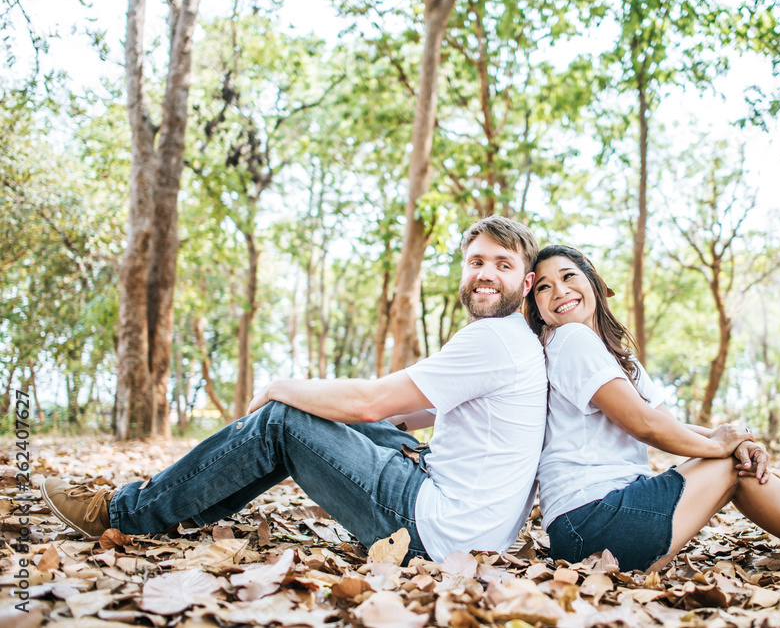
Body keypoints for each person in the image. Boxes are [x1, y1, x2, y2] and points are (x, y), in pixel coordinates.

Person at [41, 216, 548, 563]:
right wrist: (356, 431)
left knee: (285, 420)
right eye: (476, 262)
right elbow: (415, 411)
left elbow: (371, 399)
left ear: (524, 285)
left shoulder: (493, 338)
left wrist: (282, 388)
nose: (485, 274)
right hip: (469, 528)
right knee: (340, 423)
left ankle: (124, 513)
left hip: (432, 533)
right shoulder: (514, 340)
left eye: (503, 265)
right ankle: (187, 509)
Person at [524, 244, 780, 572]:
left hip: (600, 523)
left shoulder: (616, 357)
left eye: (568, 276)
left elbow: (668, 423)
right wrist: (725, 448)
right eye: (543, 287)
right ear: (537, 307)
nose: (558, 290)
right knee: (729, 467)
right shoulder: (569, 340)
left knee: (734, 460)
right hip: (591, 524)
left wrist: (736, 440)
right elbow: (645, 425)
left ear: (593, 283)